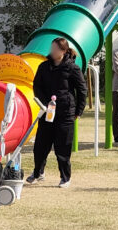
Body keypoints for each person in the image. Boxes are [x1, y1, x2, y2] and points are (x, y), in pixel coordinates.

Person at [28, 37, 87, 187]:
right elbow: (37, 86)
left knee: (63, 148)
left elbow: (82, 90)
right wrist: (44, 102)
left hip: (65, 113)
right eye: (51, 48)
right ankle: (38, 172)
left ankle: (65, 177)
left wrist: (78, 111)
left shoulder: (72, 68)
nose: (52, 51)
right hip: (47, 112)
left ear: (63, 51)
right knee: (40, 146)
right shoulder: (44, 66)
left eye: (55, 49)